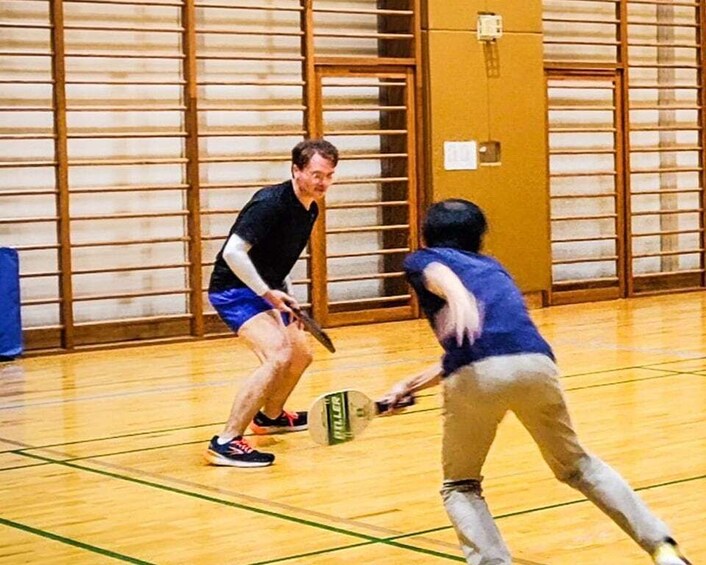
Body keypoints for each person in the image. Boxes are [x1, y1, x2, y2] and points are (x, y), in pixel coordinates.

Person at [380, 199, 691, 564]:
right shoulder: (495, 269)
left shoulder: (422, 259)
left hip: (478, 376)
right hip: (535, 364)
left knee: (460, 485)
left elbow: (439, 274)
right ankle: (662, 547)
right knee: (579, 466)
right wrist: (408, 386)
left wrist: (456, 295)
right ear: (480, 236)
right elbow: (489, 351)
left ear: (428, 234)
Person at [205, 139, 339, 468]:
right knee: (277, 354)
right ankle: (226, 441)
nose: (323, 182)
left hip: (267, 289)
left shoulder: (310, 208)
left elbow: (278, 258)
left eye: (330, 175)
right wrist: (267, 293)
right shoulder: (269, 203)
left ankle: (271, 416)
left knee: (301, 355)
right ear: (296, 170)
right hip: (234, 290)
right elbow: (233, 253)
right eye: (316, 174)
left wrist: (283, 292)